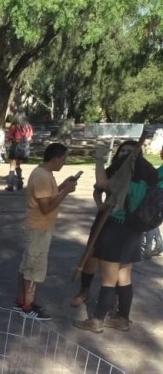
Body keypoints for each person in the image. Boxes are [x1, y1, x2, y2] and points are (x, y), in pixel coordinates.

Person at [73, 141, 161, 333]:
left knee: (108, 280)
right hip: (133, 231)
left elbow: (103, 183)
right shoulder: (147, 179)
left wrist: (97, 158)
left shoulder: (126, 179)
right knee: (124, 277)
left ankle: (97, 321)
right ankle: (122, 318)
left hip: (115, 229)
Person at [12, 143, 76, 321]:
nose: (64, 163)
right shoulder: (42, 176)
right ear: (55, 159)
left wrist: (63, 186)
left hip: (39, 228)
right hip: (38, 229)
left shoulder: (45, 174)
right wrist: (66, 193)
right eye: (63, 159)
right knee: (34, 269)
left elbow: (48, 196)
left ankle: (22, 300)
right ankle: (27, 306)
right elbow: (46, 207)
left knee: (27, 266)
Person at [5, 115, 33, 191]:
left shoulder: (14, 127)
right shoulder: (28, 127)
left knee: (12, 167)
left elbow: (8, 137)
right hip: (24, 148)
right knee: (18, 165)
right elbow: (30, 139)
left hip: (15, 147)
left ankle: (10, 185)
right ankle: (19, 183)